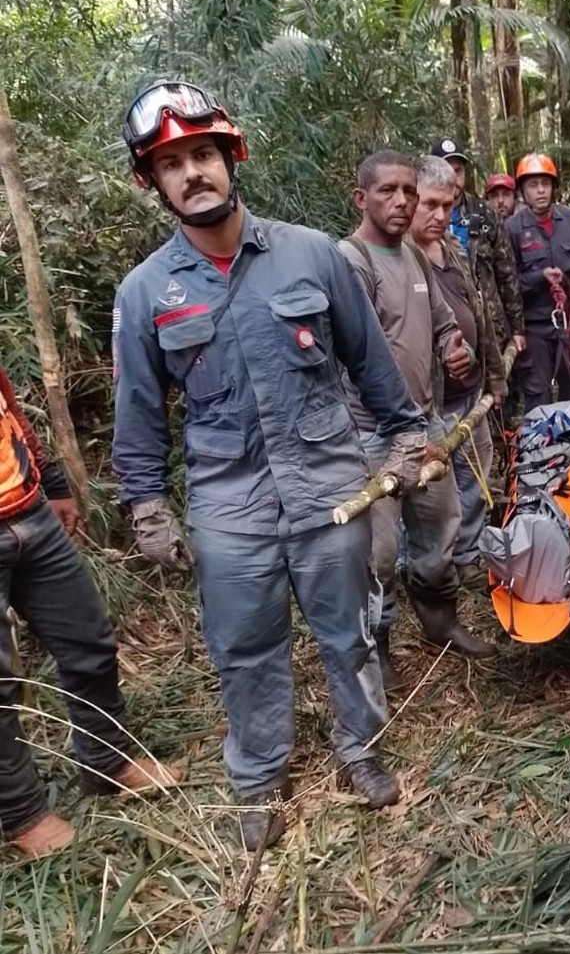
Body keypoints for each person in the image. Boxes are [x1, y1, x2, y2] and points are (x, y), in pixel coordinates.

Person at [113, 81, 419, 849]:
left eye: (203, 154)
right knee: (243, 646)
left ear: (231, 156)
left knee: (351, 628)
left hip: (328, 491)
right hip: (229, 505)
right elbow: (141, 414)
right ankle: (258, 776)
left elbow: (372, 363)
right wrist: (147, 505)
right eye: (172, 162)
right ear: (153, 181)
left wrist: (407, 437)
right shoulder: (146, 292)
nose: (193, 172)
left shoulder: (311, 254)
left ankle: (362, 748)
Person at [0, 367, 180, 859]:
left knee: (89, 641)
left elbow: (7, 407)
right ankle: (22, 814)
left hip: (26, 510)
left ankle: (108, 760)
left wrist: (52, 479)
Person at [340, 150, 497, 691]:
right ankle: (377, 643)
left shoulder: (415, 258)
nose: (403, 201)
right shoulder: (351, 262)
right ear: (361, 198)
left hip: (427, 426)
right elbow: (353, 352)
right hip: (369, 433)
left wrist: (454, 346)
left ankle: (439, 621)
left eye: (410, 190)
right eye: (389, 191)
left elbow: (441, 324)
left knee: (440, 527)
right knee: (379, 552)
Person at [410, 157, 506, 590]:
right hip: (430, 404)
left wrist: (495, 377)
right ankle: (429, 573)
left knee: (476, 476)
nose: (439, 215)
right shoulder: (398, 259)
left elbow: (479, 313)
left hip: (470, 394)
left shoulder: (452, 248)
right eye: (430, 204)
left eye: (447, 205)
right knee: (432, 495)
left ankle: (468, 555)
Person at [505, 154, 570, 411]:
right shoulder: (512, 229)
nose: (541, 190)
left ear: (553, 186)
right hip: (534, 325)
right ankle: (540, 448)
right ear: (523, 190)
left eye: (545, 183)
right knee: (537, 393)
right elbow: (506, 281)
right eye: (533, 185)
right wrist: (538, 277)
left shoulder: (569, 219)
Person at [429, 139, 525, 356]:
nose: (453, 179)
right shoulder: (421, 215)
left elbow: (507, 273)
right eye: (445, 171)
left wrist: (518, 328)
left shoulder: (484, 213)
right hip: (441, 327)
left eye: (458, 171)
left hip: (490, 327)